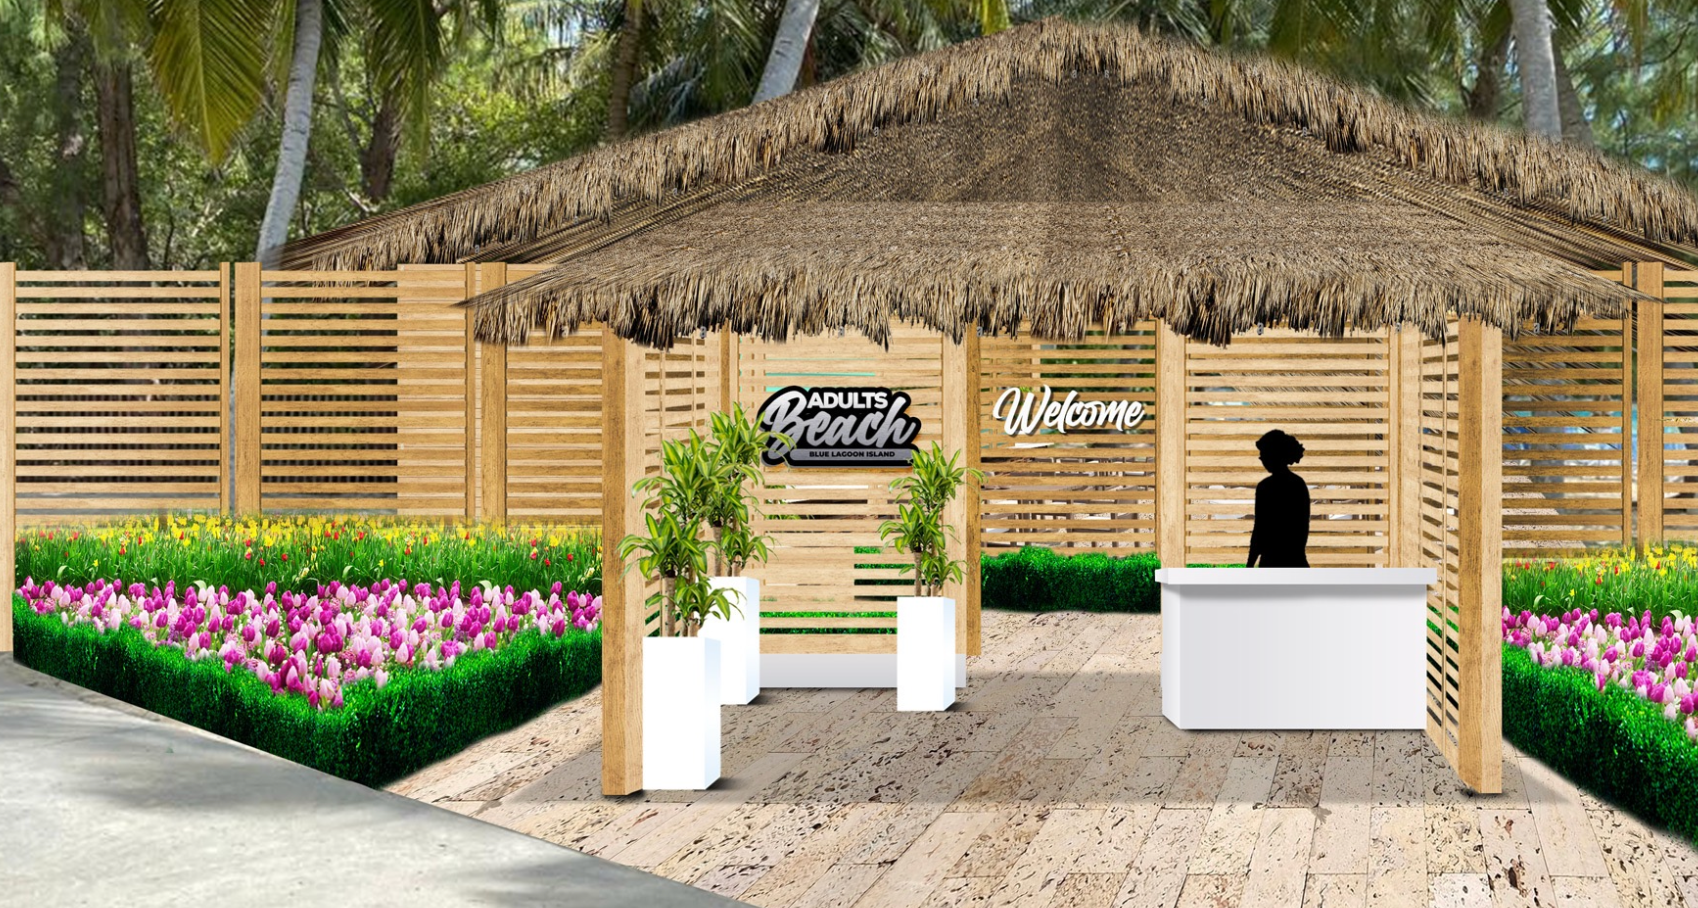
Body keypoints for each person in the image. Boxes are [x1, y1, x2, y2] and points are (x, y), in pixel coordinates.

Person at [1247, 429, 1311, 568]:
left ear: (1274, 455)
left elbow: (1260, 529)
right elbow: (1302, 529)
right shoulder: (1298, 484)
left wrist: (1250, 564)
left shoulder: (1265, 487)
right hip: (1296, 561)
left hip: (1272, 562)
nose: (1261, 459)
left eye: (1263, 454)